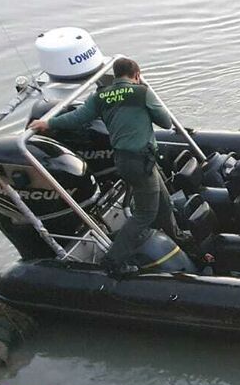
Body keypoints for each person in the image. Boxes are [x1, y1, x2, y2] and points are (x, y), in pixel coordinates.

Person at [29, 57, 190, 275]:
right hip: (141, 162)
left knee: (163, 200)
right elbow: (166, 122)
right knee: (145, 214)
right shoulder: (141, 92)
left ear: (116, 75)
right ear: (136, 74)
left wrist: (48, 123)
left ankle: (176, 236)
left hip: (124, 161)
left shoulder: (101, 96)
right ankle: (113, 261)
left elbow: (77, 118)